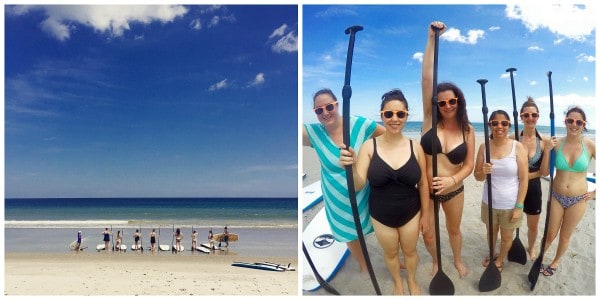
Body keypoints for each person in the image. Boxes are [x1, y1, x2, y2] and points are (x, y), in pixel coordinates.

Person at [340, 89, 430, 295]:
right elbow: (358, 184)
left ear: (407, 115)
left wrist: (426, 215)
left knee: (410, 251)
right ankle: (398, 282)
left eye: (400, 114)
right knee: (390, 254)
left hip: (411, 212)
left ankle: (412, 281)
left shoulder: (416, 147)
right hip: (381, 214)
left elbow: (423, 184)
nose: (394, 119)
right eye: (389, 114)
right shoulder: (368, 147)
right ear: (381, 116)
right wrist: (352, 166)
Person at [303, 88, 385, 273]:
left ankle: (390, 258)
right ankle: (364, 265)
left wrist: (369, 159)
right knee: (349, 232)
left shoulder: (359, 124)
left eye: (329, 106)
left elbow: (387, 137)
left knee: (378, 225)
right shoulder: (313, 133)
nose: (325, 113)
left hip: (363, 188)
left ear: (337, 105)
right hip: (336, 196)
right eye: (319, 110)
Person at [420, 21, 475, 278]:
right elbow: (427, 78)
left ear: (459, 101)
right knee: (428, 231)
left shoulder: (468, 130)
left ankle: (456, 259)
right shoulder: (429, 118)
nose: (447, 105)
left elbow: (469, 166)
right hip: (426, 189)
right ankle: (435, 260)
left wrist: (452, 179)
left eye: (452, 101)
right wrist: (432, 39)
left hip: (454, 190)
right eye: (442, 102)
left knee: (454, 230)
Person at [540, 106, 595, 276]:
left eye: (579, 121)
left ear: (584, 124)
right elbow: (543, 172)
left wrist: (595, 194)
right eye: (570, 120)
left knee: (565, 236)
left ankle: (555, 262)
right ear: (565, 122)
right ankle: (540, 258)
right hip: (557, 196)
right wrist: (548, 150)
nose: (574, 124)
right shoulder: (557, 144)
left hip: (578, 199)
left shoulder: (590, 145)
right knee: (550, 234)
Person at [474, 110, 528, 272]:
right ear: (490, 125)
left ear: (509, 125)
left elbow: (524, 179)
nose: (499, 126)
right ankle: (492, 253)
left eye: (504, 123)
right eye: (495, 123)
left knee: (506, 237)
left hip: (510, 204)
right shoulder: (484, 147)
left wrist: (519, 206)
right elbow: (477, 176)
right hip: (489, 202)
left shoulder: (517, 147)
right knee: (491, 233)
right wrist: (483, 171)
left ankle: (500, 260)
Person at [512, 97, 555, 260]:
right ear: (521, 117)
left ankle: (531, 247)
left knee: (533, 225)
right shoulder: (512, 138)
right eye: (526, 115)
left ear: (538, 116)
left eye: (534, 115)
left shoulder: (544, 141)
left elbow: (544, 172)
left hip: (534, 188)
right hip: (513, 187)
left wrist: (549, 150)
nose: (530, 118)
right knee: (511, 220)